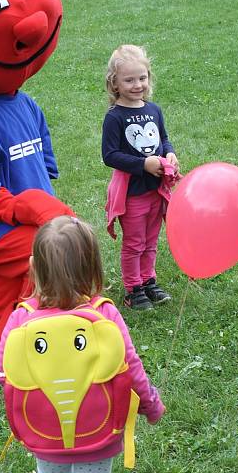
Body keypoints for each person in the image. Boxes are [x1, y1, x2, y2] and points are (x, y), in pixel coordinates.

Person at [0, 216, 165, 473]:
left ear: (34, 269)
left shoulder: (22, 318)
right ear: (93, 268)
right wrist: (151, 404)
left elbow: (0, 370)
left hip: (44, 433)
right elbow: (131, 368)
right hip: (98, 431)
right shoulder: (104, 313)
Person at [102, 45, 179, 311]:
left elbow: (164, 139)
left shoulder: (154, 110)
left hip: (155, 190)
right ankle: (133, 289)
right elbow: (110, 155)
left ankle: (149, 281)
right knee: (134, 242)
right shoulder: (115, 118)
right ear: (115, 83)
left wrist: (169, 155)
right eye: (129, 80)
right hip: (132, 193)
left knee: (151, 240)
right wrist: (142, 164)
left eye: (142, 78)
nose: (137, 85)